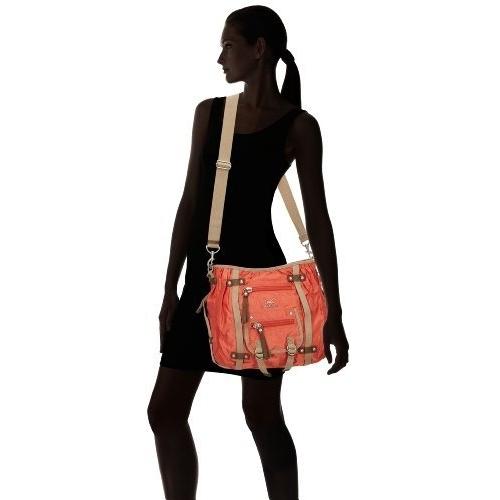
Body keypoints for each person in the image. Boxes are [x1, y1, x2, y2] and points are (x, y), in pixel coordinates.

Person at [147, 5, 349, 499]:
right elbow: (191, 201)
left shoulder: (299, 126)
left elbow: (319, 222)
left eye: (229, 46)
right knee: (164, 411)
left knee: (261, 414)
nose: (220, 58)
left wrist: (335, 312)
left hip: (263, 284)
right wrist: (169, 288)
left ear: (259, 50)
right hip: (203, 282)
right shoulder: (210, 113)